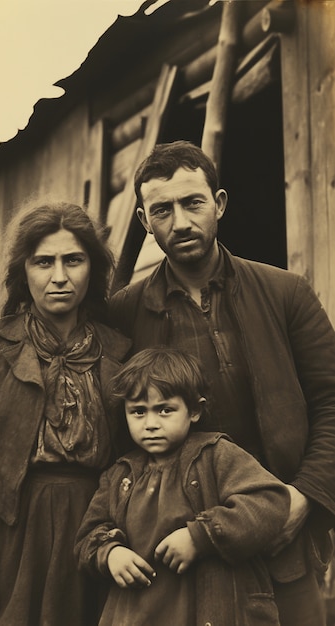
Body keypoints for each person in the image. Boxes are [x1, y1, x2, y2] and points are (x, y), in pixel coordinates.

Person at [109, 140, 335, 626]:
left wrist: (303, 498)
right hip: (173, 555)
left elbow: (331, 403)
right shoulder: (123, 314)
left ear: (220, 204)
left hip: (281, 541)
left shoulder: (285, 293)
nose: (182, 222)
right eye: (162, 210)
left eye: (193, 203)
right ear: (145, 222)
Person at [0, 202, 131, 626]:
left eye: (73, 260)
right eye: (43, 261)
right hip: (10, 541)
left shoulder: (120, 353)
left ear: (92, 269)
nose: (59, 276)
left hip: (91, 539)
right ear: (23, 271)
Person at [75, 347, 290, 626]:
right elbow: (88, 536)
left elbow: (270, 500)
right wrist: (110, 553)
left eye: (165, 410)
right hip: (138, 613)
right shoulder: (119, 474)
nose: (151, 424)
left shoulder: (216, 455)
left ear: (195, 410)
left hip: (206, 609)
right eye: (138, 412)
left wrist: (200, 537)